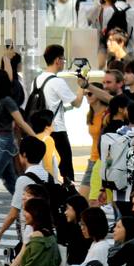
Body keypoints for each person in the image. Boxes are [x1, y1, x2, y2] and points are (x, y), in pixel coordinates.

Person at [0, 67, 39, 197]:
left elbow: (21, 123)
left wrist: (36, 139)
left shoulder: (7, 101)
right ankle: (27, 206)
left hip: (4, 143)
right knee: (10, 180)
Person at [36, 44, 82, 185]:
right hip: (57, 131)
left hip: (41, 131)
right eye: (63, 59)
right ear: (57, 60)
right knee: (66, 170)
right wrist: (82, 85)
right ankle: (68, 202)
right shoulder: (57, 81)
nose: (63, 62)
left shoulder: (37, 80)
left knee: (48, 170)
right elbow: (77, 102)